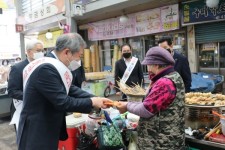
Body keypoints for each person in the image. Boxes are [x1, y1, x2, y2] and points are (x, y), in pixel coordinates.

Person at [17, 33, 112, 150]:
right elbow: (63, 102)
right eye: (79, 56)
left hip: (46, 127)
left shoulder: (52, 64)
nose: (78, 61)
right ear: (67, 52)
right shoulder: (46, 68)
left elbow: (70, 88)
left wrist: (96, 98)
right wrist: (91, 102)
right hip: (37, 132)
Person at [116, 46, 185, 150]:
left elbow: (145, 109)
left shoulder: (164, 83)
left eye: (148, 65)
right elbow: (151, 103)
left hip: (161, 142)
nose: (148, 69)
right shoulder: (175, 76)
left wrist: (127, 105)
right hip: (171, 138)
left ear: (156, 65)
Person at [8, 39, 44, 131]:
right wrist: (33, 96)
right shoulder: (18, 68)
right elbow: (12, 91)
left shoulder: (44, 65)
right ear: (28, 51)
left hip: (40, 110)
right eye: (38, 50)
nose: (41, 53)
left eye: (42, 50)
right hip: (22, 109)